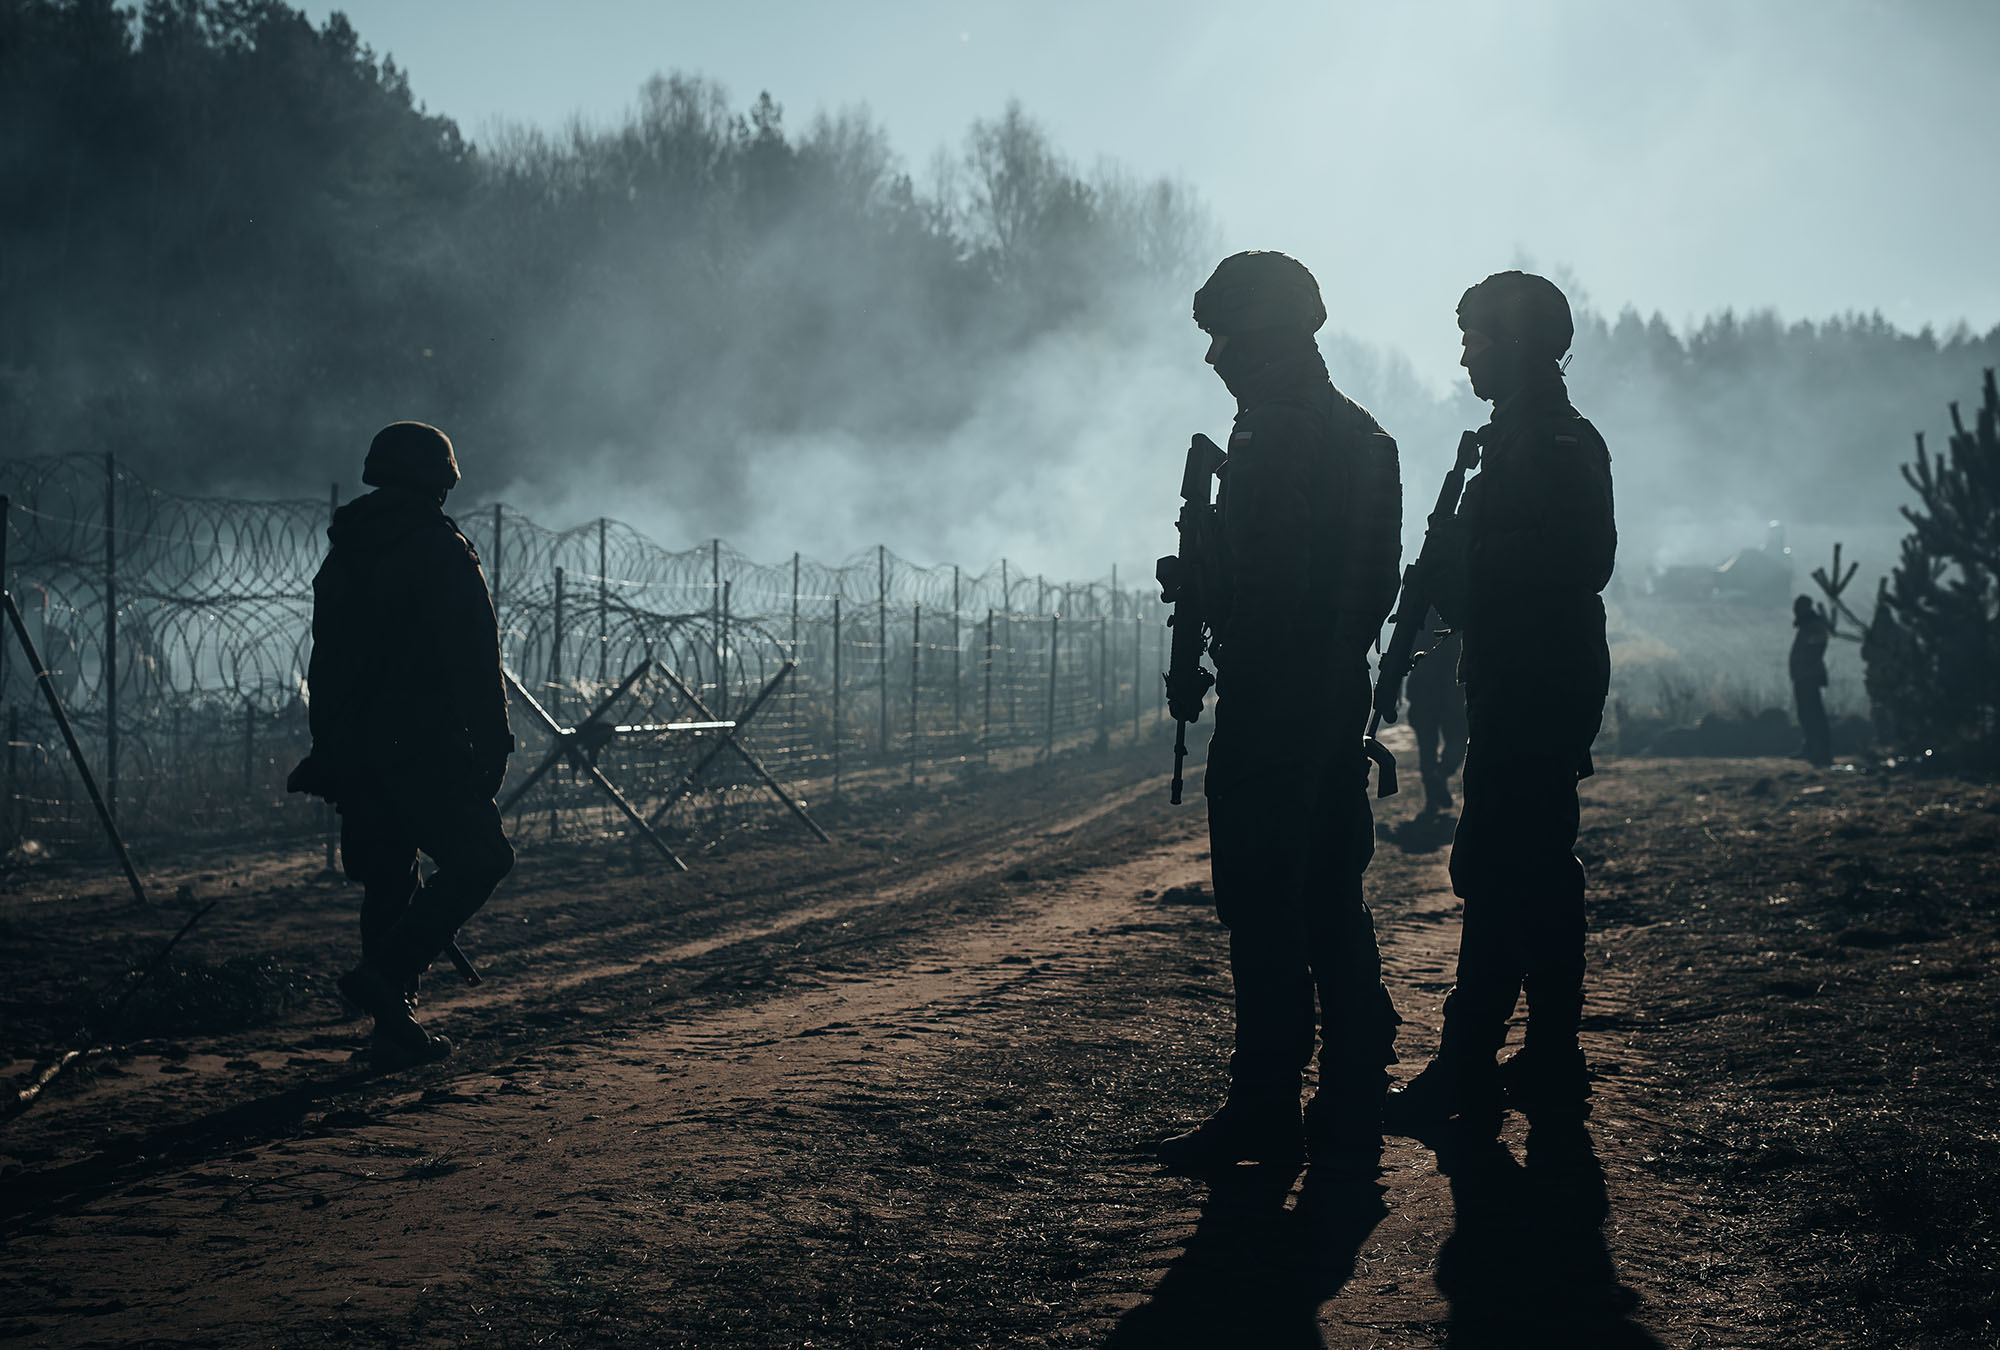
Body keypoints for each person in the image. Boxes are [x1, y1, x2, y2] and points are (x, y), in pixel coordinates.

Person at [1157, 251, 1404, 1171]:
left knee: (1263, 900)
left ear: (1260, 341)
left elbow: (1269, 580)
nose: (1214, 356)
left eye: (1225, 337)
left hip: (1276, 694)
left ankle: (1265, 1107)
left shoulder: (1275, 434)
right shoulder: (1363, 433)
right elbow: (1368, 580)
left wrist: (1208, 588)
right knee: (1331, 893)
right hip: (1334, 686)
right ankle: (1349, 1087)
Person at [1385, 272, 1616, 1137]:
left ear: (1516, 345)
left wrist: (1462, 570)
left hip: (1539, 684)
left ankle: (1468, 1064)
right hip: (1519, 678)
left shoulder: (1555, 440)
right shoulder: (1508, 440)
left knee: (1496, 867)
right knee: (1537, 871)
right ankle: (1549, 1056)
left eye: (1476, 338)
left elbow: (1580, 558)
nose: (1465, 354)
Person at [288, 421, 515, 1068]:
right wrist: (493, 742)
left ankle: (392, 1029)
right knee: (482, 858)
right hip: (422, 745)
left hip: (355, 747)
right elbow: (475, 656)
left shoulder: (347, 550)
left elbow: (325, 661)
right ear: (440, 478)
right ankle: (389, 975)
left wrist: (328, 748)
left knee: (388, 877)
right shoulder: (439, 548)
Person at [1405, 608, 1467, 817]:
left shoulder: (1418, 607)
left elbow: (1403, 646)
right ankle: (1440, 776)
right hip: (1452, 692)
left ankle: (1433, 791)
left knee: (1427, 748)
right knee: (1457, 741)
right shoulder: (1459, 603)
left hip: (1425, 688)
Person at [1791, 595, 1833, 767]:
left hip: (1808, 676)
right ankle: (1811, 748)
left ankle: (1820, 752)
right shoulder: (1809, 625)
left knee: (1813, 715)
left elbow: (1815, 648)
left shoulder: (1813, 626)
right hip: (1804, 676)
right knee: (1807, 714)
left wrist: (1806, 666)